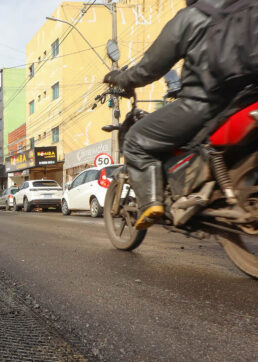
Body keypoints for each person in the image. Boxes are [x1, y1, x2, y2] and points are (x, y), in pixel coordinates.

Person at [103, 0, 227, 230]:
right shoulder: (240, 11)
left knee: (135, 141)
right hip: (239, 100)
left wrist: (121, 78)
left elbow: (149, 67)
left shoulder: (193, 16)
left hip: (202, 103)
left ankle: (151, 203)